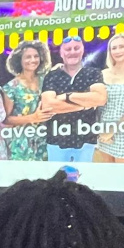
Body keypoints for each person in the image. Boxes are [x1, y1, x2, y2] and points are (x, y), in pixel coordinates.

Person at [40, 35, 106, 164]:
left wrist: (67, 96)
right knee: (57, 177)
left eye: (76, 48)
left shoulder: (94, 73)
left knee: (84, 176)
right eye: (68, 49)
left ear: (82, 50)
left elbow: (100, 98)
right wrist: (84, 104)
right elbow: (48, 105)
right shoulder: (51, 76)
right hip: (56, 141)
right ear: (61, 53)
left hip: (86, 140)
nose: (72, 52)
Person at [91, 32, 124, 163]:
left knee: (123, 174)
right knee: (107, 173)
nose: (118, 51)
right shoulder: (102, 74)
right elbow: (95, 104)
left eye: (121, 47)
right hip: (103, 131)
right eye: (114, 48)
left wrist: (113, 130)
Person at [0, 43, 51, 161]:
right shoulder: (11, 86)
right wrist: (33, 118)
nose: (33, 60)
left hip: (44, 141)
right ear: (19, 60)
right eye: (28, 57)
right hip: (21, 144)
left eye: (36, 56)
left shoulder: (46, 80)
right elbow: (5, 119)